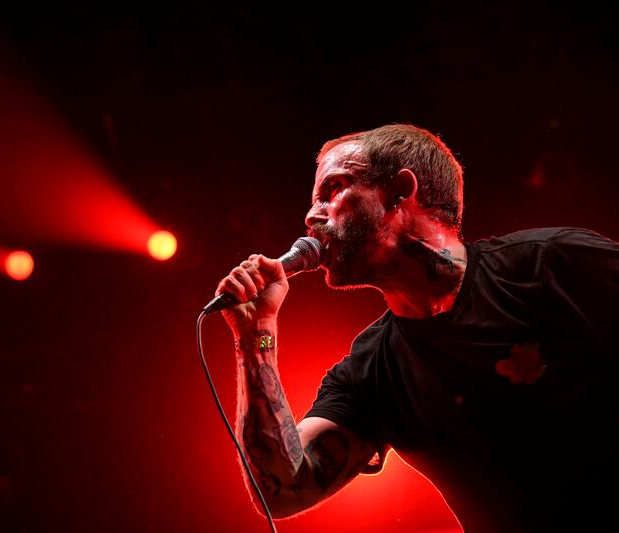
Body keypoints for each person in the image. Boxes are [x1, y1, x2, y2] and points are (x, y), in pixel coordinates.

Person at [214, 124, 619, 532]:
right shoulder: (373, 372)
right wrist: (256, 333)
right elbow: (282, 490)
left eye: (332, 190)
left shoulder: (552, 266)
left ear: (400, 191)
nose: (311, 215)